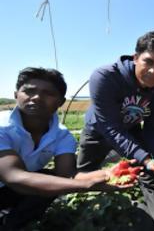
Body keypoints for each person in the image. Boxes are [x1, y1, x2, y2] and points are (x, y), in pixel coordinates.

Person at [0, 67, 134, 230]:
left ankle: (13, 224)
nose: (36, 97)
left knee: (51, 179)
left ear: (61, 102)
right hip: (13, 183)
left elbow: (68, 175)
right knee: (49, 182)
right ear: (16, 95)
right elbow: (14, 176)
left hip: (11, 189)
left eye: (48, 93)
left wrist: (110, 174)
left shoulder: (62, 135)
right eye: (28, 91)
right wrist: (87, 185)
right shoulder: (2, 127)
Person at [76, 31, 154, 230]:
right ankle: (87, 215)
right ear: (135, 58)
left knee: (151, 175)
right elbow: (110, 127)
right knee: (84, 176)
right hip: (98, 132)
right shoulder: (105, 77)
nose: (153, 71)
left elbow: (151, 129)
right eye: (148, 61)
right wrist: (145, 158)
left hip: (131, 129)